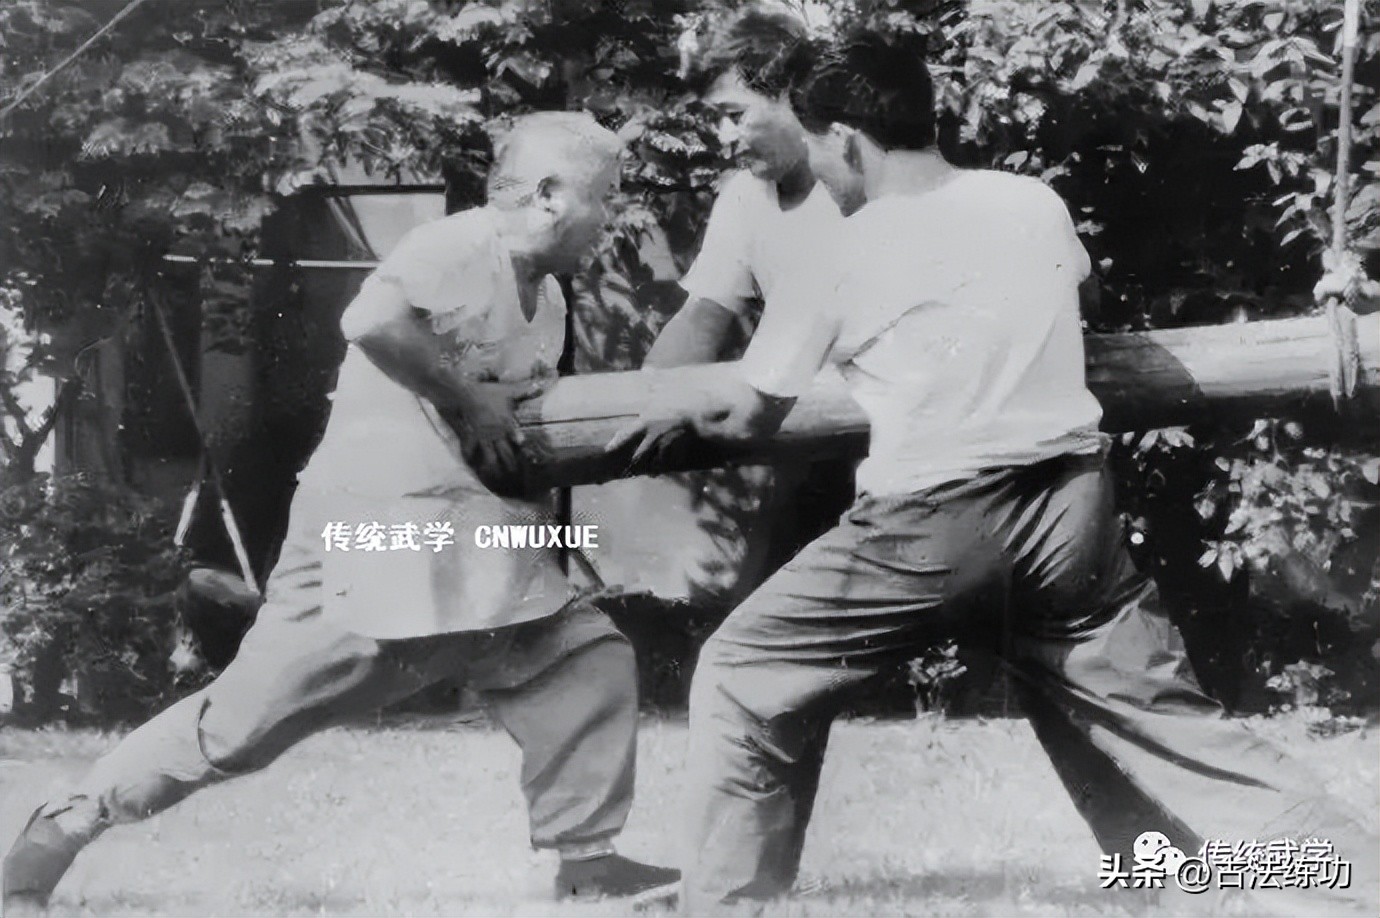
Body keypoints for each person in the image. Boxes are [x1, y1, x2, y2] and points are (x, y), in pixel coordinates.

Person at [609, 34, 1380, 917]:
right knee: (1168, 725)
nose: (817, 171)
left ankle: (725, 901)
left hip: (929, 529)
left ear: (846, 140)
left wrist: (672, 407)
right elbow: (1080, 302)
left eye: (817, 146)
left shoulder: (837, 252)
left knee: (744, 670)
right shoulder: (1032, 203)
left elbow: (753, 413)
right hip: (1071, 511)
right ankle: (1350, 881)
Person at [3, 112, 678, 914]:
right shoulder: (459, 244)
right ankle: (58, 831)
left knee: (582, 659)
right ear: (549, 195)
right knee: (243, 725)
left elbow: (509, 431)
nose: (612, 217)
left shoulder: (552, 301)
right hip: (373, 532)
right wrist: (469, 402)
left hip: (475, 541)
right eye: (607, 196)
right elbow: (369, 320)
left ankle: (588, 864)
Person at [637, 6, 862, 594]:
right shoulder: (747, 196)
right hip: (809, 447)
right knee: (758, 601)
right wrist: (640, 401)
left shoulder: (859, 179)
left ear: (789, 94)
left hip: (890, 443)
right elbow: (703, 317)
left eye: (735, 116)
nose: (723, 138)